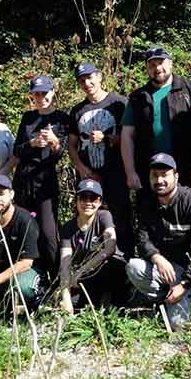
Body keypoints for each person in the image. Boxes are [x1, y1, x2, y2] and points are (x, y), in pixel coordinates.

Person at [125, 153, 191, 330]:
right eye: (155, 175)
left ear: (176, 176)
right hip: (165, 269)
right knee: (133, 267)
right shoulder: (147, 203)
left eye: (165, 174)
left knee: (179, 325)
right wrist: (157, 257)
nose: (160, 180)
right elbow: (142, 238)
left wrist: (185, 283)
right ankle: (165, 299)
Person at [120, 47, 191, 190]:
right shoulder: (138, 97)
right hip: (150, 174)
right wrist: (130, 172)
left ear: (171, 64)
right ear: (147, 69)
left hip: (188, 172)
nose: (157, 68)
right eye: (152, 65)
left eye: (161, 63)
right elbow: (127, 135)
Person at [66, 62, 131, 256]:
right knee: (88, 220)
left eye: (90, 77)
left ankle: (124, 263)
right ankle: (88, 263)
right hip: (88, 175)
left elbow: (130, 138)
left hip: (116, 174)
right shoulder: (77, 110)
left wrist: (108, 138)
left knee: (121, 219)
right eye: (82, 80)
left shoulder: (119, 103)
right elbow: (71, 144)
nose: (87, 83)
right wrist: (82, 169)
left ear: (100, 77)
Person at [13, 75, 70, 277]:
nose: (40, 97)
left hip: (45, 180)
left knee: (48, 233)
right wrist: (32, 144)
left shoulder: (62, 118)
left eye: (44, 93)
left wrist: (54, 142)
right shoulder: (27, 118)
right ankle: (26, 275)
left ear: (52, 93)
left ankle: (56, 279)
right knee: (24, 229)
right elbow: (17, 151)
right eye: (36, 94)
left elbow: (62, 153)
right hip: (23, 180)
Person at [0, 175, 44, 323]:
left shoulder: (25, 220)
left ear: (11, 194)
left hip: (20, 272)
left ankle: (19, 308)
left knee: (24, 287)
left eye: (1, 194)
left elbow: (26, 262)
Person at [58, 179, 127, 314]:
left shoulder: (104, 216)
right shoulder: (68, 227)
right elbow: (65, 264)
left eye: (93, 198)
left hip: (108, 268)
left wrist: (81, 270)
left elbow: (109, 248)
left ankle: (113, 300)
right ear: (76, 200)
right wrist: (65, 296)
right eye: (83, 197)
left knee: (114, 268)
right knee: (73, 304)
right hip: (88, 276)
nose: (88, 202)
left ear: (99, 202)